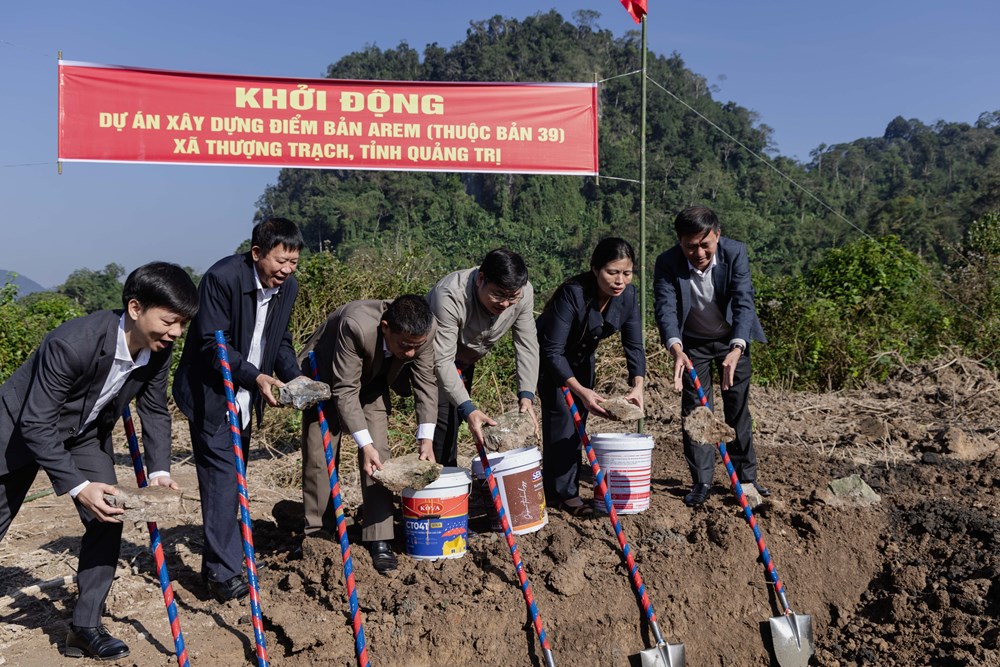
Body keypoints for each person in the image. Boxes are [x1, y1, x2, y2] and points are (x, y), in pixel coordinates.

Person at [0, 262, 198, 660]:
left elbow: (155, 409)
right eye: (170, 321)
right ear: (136, 307)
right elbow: (37, 422)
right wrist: (78, 486)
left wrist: (159, 471)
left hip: (84, 434)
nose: (176, 333)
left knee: (109, 515)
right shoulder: (73, 342)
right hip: (19, 432)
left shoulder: (159, 351)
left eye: (183, 324)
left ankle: (84, 627)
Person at [172, 217, 305, 602]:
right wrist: (256, 378)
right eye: (281, 261)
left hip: (245, 396)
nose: (286, 270)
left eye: (294, 262)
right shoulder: (222, 279)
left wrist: (294, 378)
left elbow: (280, 341)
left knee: (233, 480)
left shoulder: (287, 288)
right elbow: (212, 345)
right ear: (257, 253)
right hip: (212, 396)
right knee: (222, 483)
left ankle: (225, 559)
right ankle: (221, 574)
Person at [299, 295, 437, 573]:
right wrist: (363, 444)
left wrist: (426, 438)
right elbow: (345, 389)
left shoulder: (424, 330)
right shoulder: (356, 324)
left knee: (379, 459)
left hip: (373, 382)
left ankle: (380, 537)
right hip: (323, 375)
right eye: (405, 346)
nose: (410, 353)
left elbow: (426, 383)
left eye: (416, 347)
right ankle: (319, 534)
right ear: (385, 327)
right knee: (319, 457)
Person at [653, 205, 769, 507]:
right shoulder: (667, 263)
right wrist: (676, 349)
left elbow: (744, 301)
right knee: (697, 412)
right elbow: (665, 309)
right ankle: (701, 481)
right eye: (691, 246)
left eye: (706, 244)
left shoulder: (735, 253)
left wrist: (737, 347)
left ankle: (745, 478)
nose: (700, 252)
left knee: (737, 408)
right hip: (692, 344)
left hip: (733, 340)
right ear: (680, 242)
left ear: (717, 236)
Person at [536, 238, 645, 518]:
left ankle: (561, 487)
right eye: (612, 272)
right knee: (562, 419)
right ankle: (563, 496)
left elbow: (633, 344)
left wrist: (638, 384)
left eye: (627, 273)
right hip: (550, 357)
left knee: (578, 422)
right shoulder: (573, 294)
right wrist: (580, 390)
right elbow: (552, 350)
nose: (620, 280)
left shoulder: (629, 296)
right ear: (595, 269)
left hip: (583, 358)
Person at [427, 248, 539, 465]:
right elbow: (441, 359)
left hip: (466, 360)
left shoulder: (523, 293)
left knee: (456, 418)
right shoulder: (450, 294)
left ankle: (450, 475)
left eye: (512, 297)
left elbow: (526, 344)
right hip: (435, 358)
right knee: (443, 421)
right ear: (480, 279)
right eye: (498, 294)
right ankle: (441, 485)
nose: (505, 304)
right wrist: (469, 407)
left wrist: (527, 395)